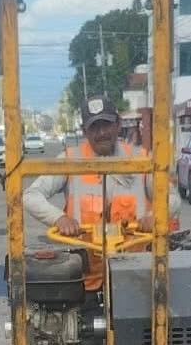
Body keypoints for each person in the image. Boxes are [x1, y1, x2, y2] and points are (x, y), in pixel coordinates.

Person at [23, 95, 180, 289]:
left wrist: (155, 216)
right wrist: (59, 219)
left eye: (106, 125)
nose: (102, 133)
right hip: (85, 278)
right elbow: (31, 196)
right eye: (94, 127)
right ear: (85, 131)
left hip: (136, 275)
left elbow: (172, 198)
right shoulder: (71, 160)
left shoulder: (141, 160)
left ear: (118, 124)